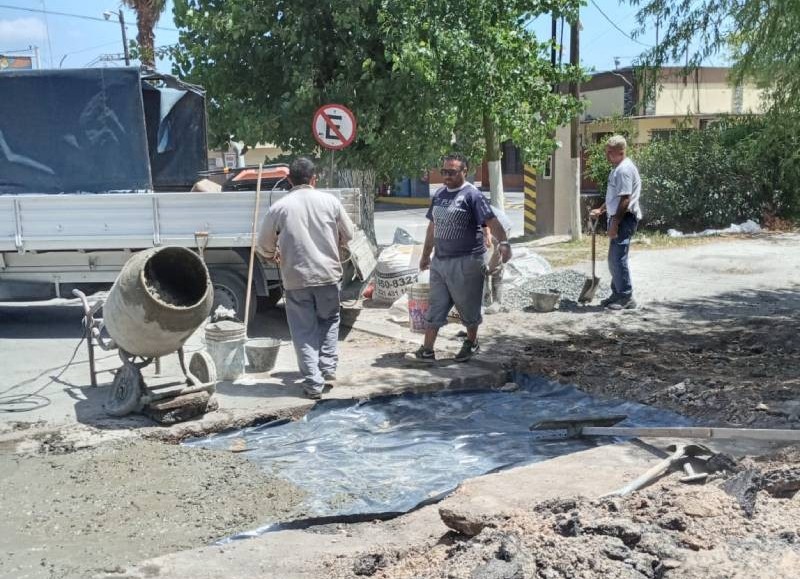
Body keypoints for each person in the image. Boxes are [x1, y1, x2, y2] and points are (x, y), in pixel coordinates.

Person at [257, 157, 354, 399]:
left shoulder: (279, 207)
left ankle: (313, 382)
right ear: (314, 179)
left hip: (296, 278)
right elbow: (349, 234)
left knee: (303, 330)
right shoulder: (330, 201)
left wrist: (273, 255)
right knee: (330, 320)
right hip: (328, 275)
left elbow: (263, 245)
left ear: (289, 180)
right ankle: (327, 367)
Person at [409, 152, 511, 363]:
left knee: (468, 308)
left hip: (467, 262)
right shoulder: (439, 195)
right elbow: (432, 227)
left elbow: (491, 221)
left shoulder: (472, 196)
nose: (447, 176)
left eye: (452, 172)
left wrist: (504, 243)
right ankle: (427, 350)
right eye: (444, 171)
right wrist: (426, 255)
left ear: (464, 171)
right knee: (436, 306)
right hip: (440, 262)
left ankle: (471, 343)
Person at [590, 135, 642, 310]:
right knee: (614, 259)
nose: (607, 156)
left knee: (617, 259)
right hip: (618, 217)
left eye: (610, 153)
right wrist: (602, 210)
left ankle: (626, 296)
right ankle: (617, 294)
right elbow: (615, 196)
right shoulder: (617, 168)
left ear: (621, 152)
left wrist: (614, 224)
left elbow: (625, 200)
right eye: (607, 152)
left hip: (624, 218)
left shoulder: (624, 170)